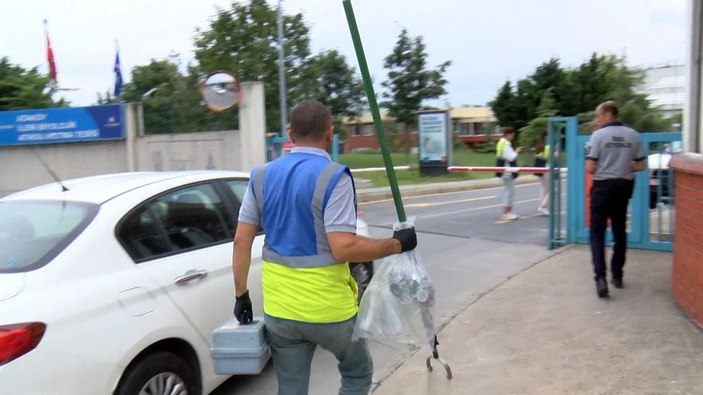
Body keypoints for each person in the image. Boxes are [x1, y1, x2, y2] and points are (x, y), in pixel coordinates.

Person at [231, 100, 418, 395]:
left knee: (291, 388)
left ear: (290, 135)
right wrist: (397, 244)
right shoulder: (334, 177)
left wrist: (241, 295)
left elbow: (241, 240)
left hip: (280, 311)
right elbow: (343, 247)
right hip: (330, 311)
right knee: (357, 373)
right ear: (329, 135)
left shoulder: (261, 176)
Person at [585, 100, 645, 298]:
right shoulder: (633, 135)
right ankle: (617, 275)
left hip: (602, 188)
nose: (596, 119)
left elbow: (590, 168)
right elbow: (640, 165)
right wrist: (623, 166)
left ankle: (600, 279)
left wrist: (604, 164)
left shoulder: (597, 136)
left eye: (598, 115)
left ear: (608, 115)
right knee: (619, 231)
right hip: (623, 187)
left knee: (597, 234)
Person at [495, 127, 522, 220]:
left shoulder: (501, 142)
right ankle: (506, 212)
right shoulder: (506, 144)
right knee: (509, 191)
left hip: (503, 170)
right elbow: (511, 157)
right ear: (508, 134)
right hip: (507, 170)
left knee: (510, 191)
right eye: (512, 135)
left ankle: (508, 211)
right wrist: (517, 151)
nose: (513, 137)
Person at [533, 130, 550, 216]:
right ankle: (543, 206)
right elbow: (551, 156)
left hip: (538, 166)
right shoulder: (548, 146)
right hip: (545, 167)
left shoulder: (539, 144)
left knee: (543, 188)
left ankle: (541, 206)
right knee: (551, 190)